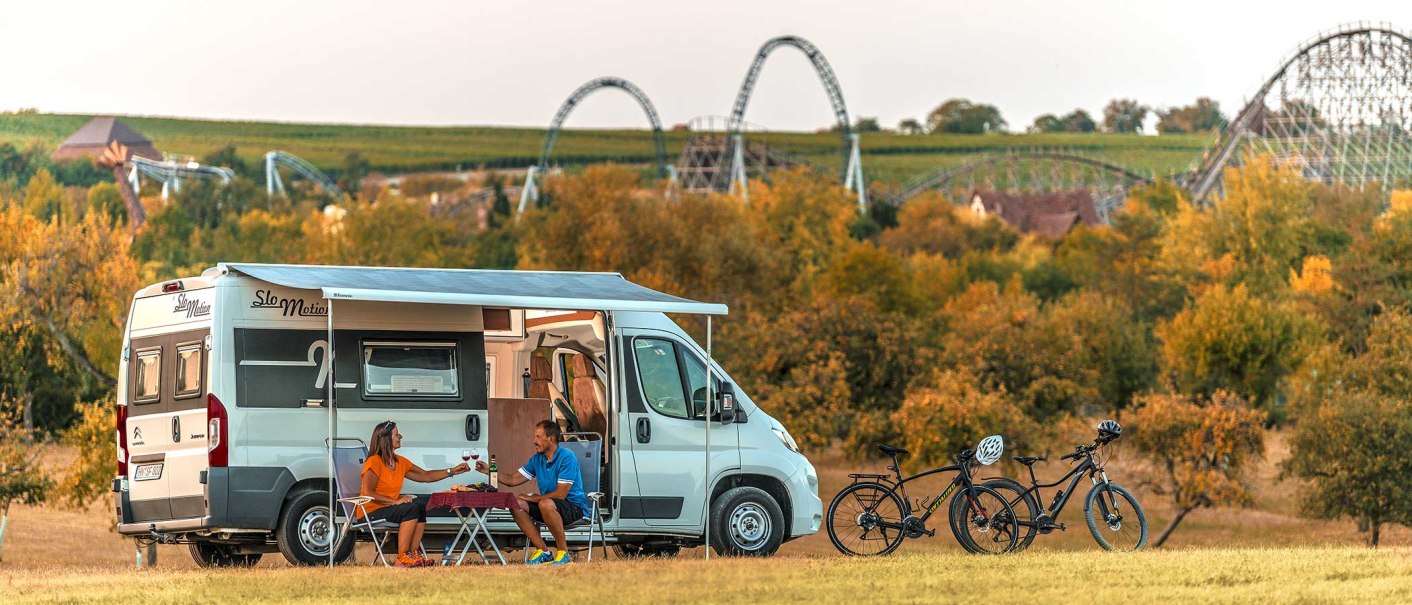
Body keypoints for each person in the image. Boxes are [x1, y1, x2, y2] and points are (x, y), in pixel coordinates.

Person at [476, 420, 588, 566]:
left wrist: (534, 498)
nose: (534, 441)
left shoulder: (567, 457)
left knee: (545, 504)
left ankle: (563, 553)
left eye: (538, 437)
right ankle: (544, 552)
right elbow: (512, 479)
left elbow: (560, 494)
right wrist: (490, 471)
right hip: (547, 505)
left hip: (573, 507)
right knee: (516, 503)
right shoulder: (537, 459)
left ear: (551, 439)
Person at [361, 420, 470, 568]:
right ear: (386, 438)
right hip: (370, 511)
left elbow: (425, 476)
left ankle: (413, 554)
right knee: (410, 508)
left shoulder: (399, 462)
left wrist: (452, 471)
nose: (401, 437)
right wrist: (395, 501)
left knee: (419, 507)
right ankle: (403, 557)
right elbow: (368, 493)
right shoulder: (374, 461)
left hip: (389, 509)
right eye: (396, 434)